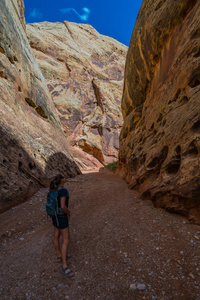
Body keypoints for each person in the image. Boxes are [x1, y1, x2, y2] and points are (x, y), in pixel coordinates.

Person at [49, 174, 74, 278]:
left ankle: (59, 256)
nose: (65, 177)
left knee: (56, 235)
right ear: (62, 180)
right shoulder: (63, 190)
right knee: (66, 240)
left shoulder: (54, 190)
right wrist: (68, 213)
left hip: (54, 216)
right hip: (61, 217)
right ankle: (64, 266)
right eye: (64, 177)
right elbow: (63, 206)